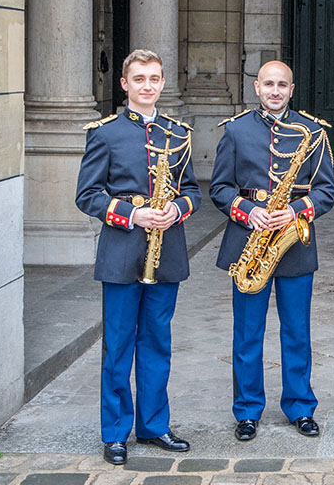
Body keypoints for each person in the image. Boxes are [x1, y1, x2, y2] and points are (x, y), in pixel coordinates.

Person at [75, 49, 202, 466]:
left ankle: (154, 425)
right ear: (124, 84)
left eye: (155, 78)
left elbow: (194, 192)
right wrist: (134, 213)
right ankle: (115, 432)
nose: (148, 85)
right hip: (122, 251)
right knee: (118, 346)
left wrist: (175, 210)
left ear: (163, 83)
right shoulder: (105, 133)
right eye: (140, 78)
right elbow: (88, 195)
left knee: (157, 343)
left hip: (167, 252)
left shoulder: (178, 133)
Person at [210, 60, 334, 442]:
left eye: (282, 84)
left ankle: (300, 407)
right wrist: (251, 212)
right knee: (248, 332)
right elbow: (218, 188)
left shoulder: (313, 132)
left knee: (297, 331)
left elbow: (327, 191)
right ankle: (247, 410)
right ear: (257, 88)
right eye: (269, 84)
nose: (275, 91)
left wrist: (294, 210)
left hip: (293, 242)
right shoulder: (235, 131)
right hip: (249, 242)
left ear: (292, 89)